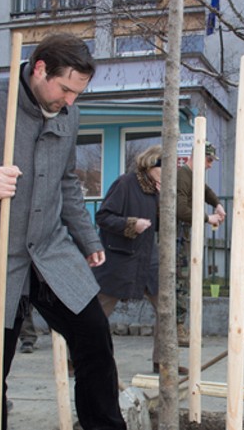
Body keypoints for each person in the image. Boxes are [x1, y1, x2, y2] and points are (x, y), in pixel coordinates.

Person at [0, 33, 126, 430]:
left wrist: (87, 239)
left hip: (50, 252)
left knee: (94, 341)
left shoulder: (68, 114)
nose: (71, 101)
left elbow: (67, 181)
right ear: (40, 69)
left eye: (78, 92)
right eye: (66, 89)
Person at [92, 145, 183, 374]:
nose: (168, 172)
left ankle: (163, 361)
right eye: (165, 167)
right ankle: (81, 357)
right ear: (151, 165)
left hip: (147, 258)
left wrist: (165, 200)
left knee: (166, 307)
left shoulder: (158, 189)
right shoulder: (126, 183)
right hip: (120, 259)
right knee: (99, 311)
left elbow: (162, 225)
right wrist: (131, 224)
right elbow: (103, 216)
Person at [175, 142, 226, 346]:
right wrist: (208, 218)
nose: (210, 165)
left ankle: (180, 326)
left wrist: (217, 204)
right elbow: (180, 209)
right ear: (196, 156)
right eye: (208, 160)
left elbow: (205, 190)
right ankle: (177, 328)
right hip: (177, 238)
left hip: (184, 237)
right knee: (179, 283)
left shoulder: (192, 177)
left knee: (184, 282)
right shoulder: (182, 176)